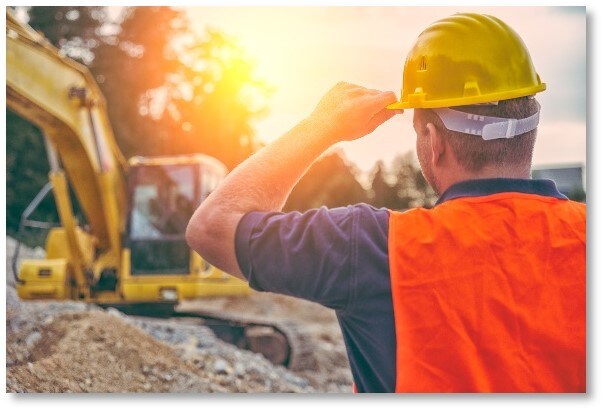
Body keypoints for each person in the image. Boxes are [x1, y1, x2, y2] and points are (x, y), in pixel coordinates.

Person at [186, 13, 585, 393]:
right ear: (531, 123)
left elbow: (212, 226)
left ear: (434, 140)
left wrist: (321, 127)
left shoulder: (373, 247)